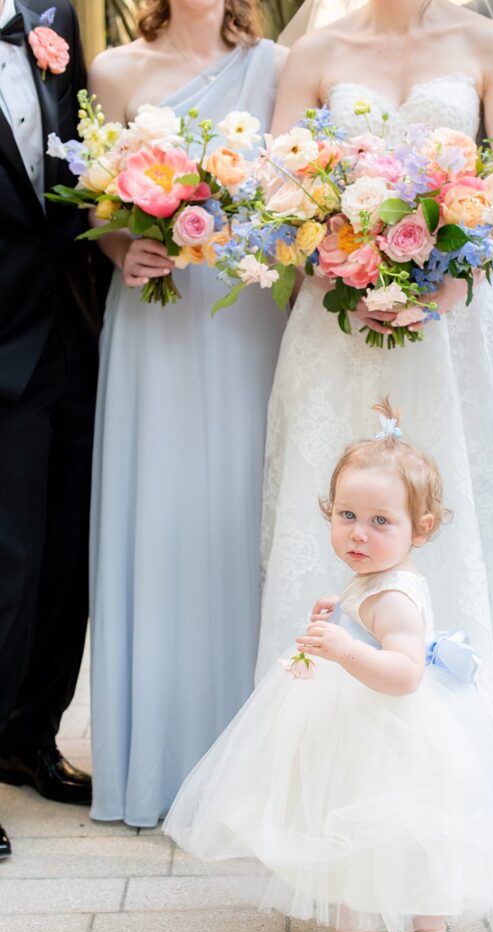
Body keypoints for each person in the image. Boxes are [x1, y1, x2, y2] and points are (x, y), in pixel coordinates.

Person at [256, 0, 493, 849]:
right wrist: (340, 255)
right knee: (336, 512)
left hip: (454, 326)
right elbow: (275, 186)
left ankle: (466, 779)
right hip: (337, 326)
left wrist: (450, 273)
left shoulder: (490, 45)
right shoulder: (317, 51)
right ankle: (319, 784)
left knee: (456, 511)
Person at [165, 399, 493, 932]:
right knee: (424, 832)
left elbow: (403, 673)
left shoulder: (391, 595)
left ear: (420, 530)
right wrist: (340, 621)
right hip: (399, 727)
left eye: (381, 522)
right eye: (347, 514)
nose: (358, 532)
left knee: (356, 840)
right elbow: (375, 630)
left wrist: (347, 650)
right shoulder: (382, 581)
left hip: (382, 733)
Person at [87, 0, 287, 827]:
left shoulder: (276, 66)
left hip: (244, 306)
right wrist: (120, 244)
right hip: (157, 313)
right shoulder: (116, 72)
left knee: (239, 510)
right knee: (160, 512)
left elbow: (297, 191)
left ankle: (252, 768)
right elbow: (98, 206)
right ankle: (158, 764)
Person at [0, 0, 100, 859]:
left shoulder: (53, 14)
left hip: (73, 330)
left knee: (66, 553)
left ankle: (30, 736)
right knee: (5, 564)